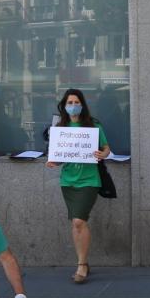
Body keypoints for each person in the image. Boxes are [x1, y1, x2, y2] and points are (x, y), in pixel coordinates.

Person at [45, 88, 111, 284]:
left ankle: (81, 265)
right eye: (70, 103)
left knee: (78, 221)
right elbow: (57, 155)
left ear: (82, 104)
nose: (73, 106)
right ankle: (84, 261)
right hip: (68, 181)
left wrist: (103, 154)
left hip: (89, 180)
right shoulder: (60, 127)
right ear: (64, 106)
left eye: (76, 102)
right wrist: (53, 162)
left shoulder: (93, 125)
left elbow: (106, 148)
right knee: (76, 221)